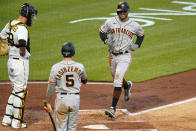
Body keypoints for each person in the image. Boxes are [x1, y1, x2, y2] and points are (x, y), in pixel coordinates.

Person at [99, 1, 144, 118]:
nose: (122, 13)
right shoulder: (110, 22)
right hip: (112, 55)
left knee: (117, 81)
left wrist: (137, 45)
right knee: (116, 77)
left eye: (124, 11)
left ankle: (112, 108)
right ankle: (127, 86)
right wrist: (105, 40)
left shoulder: (134, 25)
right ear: (117, 11)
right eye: (120, 11)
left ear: (128, 11)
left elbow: (141, 34)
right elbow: (102, 31)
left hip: (125, 56)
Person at [0, 3, 37, 128]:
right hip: (20, 62)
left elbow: (2, 36)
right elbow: (22, 44)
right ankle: (17, 122)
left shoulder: (10, 24)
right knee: (21, 92)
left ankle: (7, 118)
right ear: (27, 15)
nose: (32, 18)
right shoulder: (22, 28)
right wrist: (21, 52)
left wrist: (8, 47)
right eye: (32, 15)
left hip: (10, 61)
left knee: (16, 90)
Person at [43, 42, 88, 131]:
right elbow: (85, 80)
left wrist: (47, 101)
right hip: (75, 99)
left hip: (62, 99)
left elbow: (51, 86)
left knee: (60, 128)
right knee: (72, 128)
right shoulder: (80, 66)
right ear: (73, 52)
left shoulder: (55, 67)